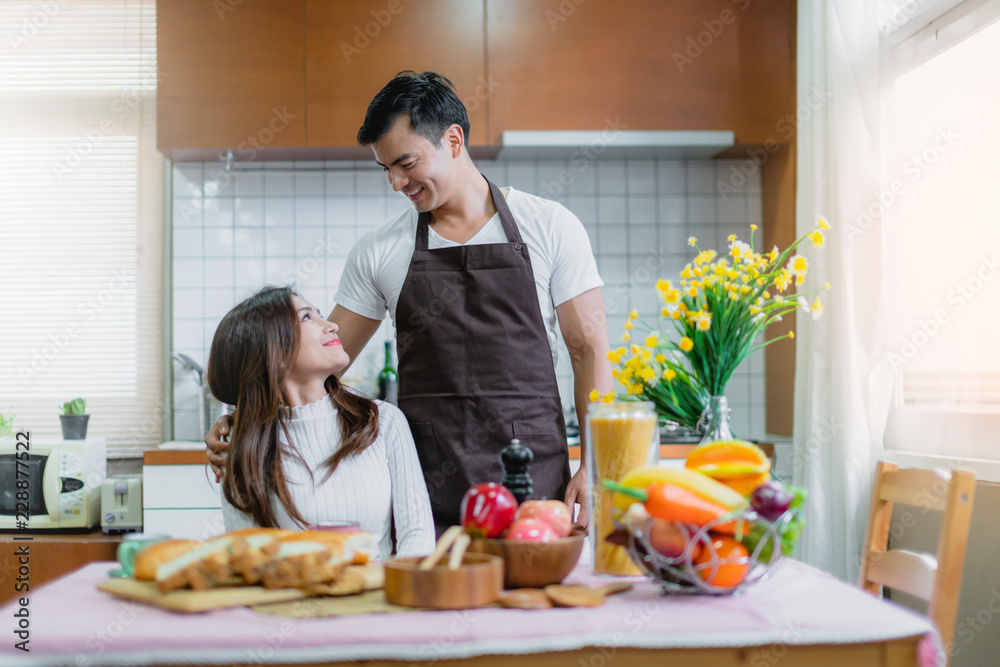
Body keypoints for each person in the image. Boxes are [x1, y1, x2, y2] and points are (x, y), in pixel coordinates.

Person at [208, 71, 612, 535]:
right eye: (386, 169)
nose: (396, 183)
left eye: (406, 163)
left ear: (454, 140)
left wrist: (594, 462)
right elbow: (318, 361)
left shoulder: (550, 226)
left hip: (533, 482)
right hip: (425, 485)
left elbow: (589, 349)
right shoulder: (380, 250)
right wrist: (242, 420)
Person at [206, 285, 434, 559]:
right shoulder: (240, 445)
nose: (333, 326)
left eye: (320, 314)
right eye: (307, 318)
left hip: (378, 597)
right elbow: (248, 559)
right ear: (272, 351)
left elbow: (418, 537)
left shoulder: (383, 421)